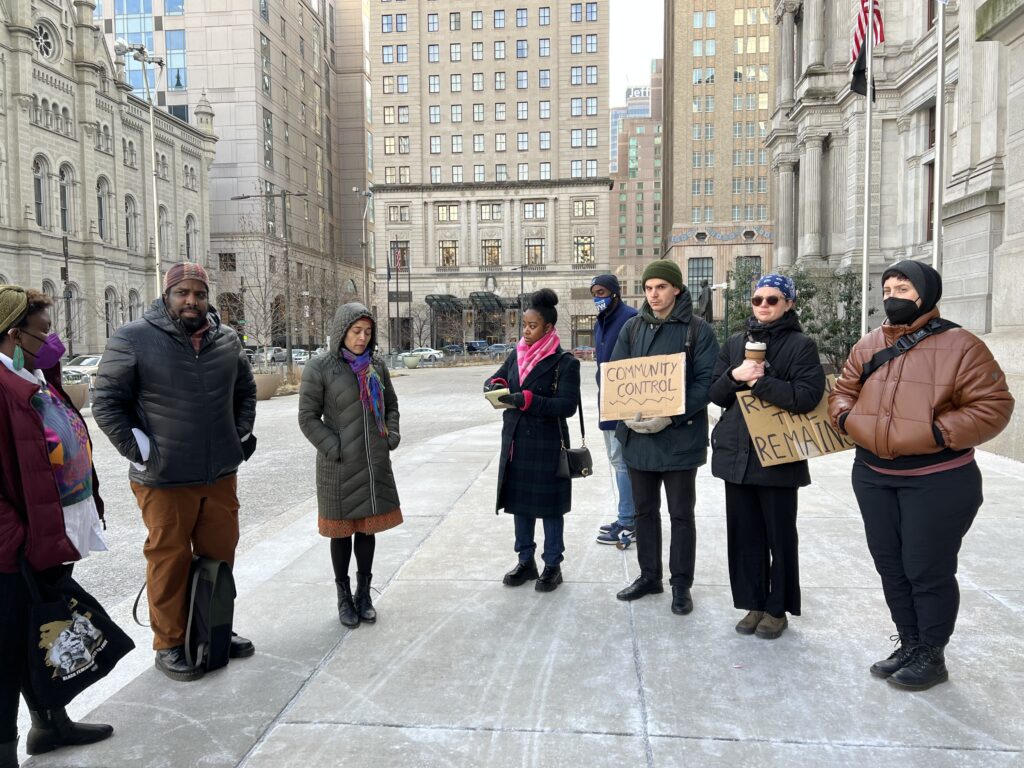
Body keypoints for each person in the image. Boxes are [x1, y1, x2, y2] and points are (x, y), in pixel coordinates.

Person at [829, 260, 1013, 690]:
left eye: (903, 288)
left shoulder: (962, 345)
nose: (893, 296)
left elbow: (994, 405)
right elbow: (843, 391)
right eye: (887, 288)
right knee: (890, 564)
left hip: (938, 478)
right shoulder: (869, 343)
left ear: (926, 294)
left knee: (925, 567)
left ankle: (932, 652)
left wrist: (935, 431)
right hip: (873, 473)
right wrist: (847, 420)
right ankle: (909, 642)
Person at [92, 263, 258, 683]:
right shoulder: (133, 338)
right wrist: (141, 452)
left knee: (220, 558)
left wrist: (237, 438)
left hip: (219, 474)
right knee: (169, 560)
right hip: (164, 480)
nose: (192, 301)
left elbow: (245, 392)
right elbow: (107, 402)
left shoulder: (226, 339)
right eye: (183, 293)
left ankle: (213, 627)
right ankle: (169, 643)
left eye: (199, 294)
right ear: (167, 295)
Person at [0, 285, 113, 765]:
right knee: (6, 651)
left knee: (43, 630)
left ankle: (50, 724)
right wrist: (16, 538)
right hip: (13, 547)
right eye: (43, 331)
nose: (52, 340)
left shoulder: (31, 377)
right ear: (12, 332)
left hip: (50, 533)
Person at [709, 274, 825, 639]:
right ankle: (753, 603)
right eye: (758, 299)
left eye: (772, 300)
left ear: (788, 303)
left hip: (777, 458)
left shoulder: (801, 345)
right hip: (737, 456)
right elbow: (715, 393)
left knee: (779, 537)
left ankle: (777, 609)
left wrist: (761, 382)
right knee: (744, 538)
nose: (763, 306)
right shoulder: (734, 343)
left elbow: (807, 396)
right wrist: (735, 376)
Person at [611, 260, 720, 614]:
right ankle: (649, 576)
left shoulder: (698, 330)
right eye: (648, 288)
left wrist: (670, 415)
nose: (653, 294)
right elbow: (618, 378)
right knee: (644, 512)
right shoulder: (631, 328)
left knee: (680, 514)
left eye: (660, 287)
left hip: (679, 440)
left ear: (676, 289)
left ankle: (680, 584)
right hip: (639, 437)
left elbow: (707, 383)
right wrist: (629, 416)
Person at [298, 303, 402, 628]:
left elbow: (392, 406)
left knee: (368, 532)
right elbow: (307, 418)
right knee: (342, 535)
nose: (361, 338)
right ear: (342, 330)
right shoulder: (321, 367)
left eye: (367, 332)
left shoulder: (377, 367)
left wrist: (391, 435)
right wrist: (334, 446)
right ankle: (344, 597)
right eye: (356, 331)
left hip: (373, 465)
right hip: (339, 466)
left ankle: (364, 594)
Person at [486, 289, 581, 592]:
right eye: (523, 325)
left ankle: (553, 564)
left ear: (549, 328)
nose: (525, 331)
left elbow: (567, 406)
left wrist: (529, 400)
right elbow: (499, 377)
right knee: (521, 506)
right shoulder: (517, 354)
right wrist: (495, 384)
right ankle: (526, 560)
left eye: (532, 326)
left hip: (548, 445)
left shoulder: (565, 362)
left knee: (550, 508)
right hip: (516, 442)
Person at [590, 274, 638, 546]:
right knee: (617, 462)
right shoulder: (601, 322)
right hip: (606, 401)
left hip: (625, 402)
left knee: (622, 463)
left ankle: (628, 520)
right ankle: (627, 515)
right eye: (594, 293)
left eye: (603, 292)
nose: (598, 297)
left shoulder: (630, 318)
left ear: (616, 293)